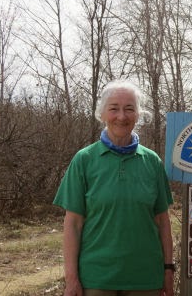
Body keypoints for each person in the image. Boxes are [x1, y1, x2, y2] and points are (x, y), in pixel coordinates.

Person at [53, 79, 174, 296]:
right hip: (96, 279)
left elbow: (163, 222)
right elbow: (73, 224)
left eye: (129, 109)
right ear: (102, 114)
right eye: (114, 109)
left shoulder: (152, 162)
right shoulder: (84, 160)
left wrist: (168, 270)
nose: (122, 116)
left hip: (145, 279)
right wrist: (71, 279)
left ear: (138, 115)